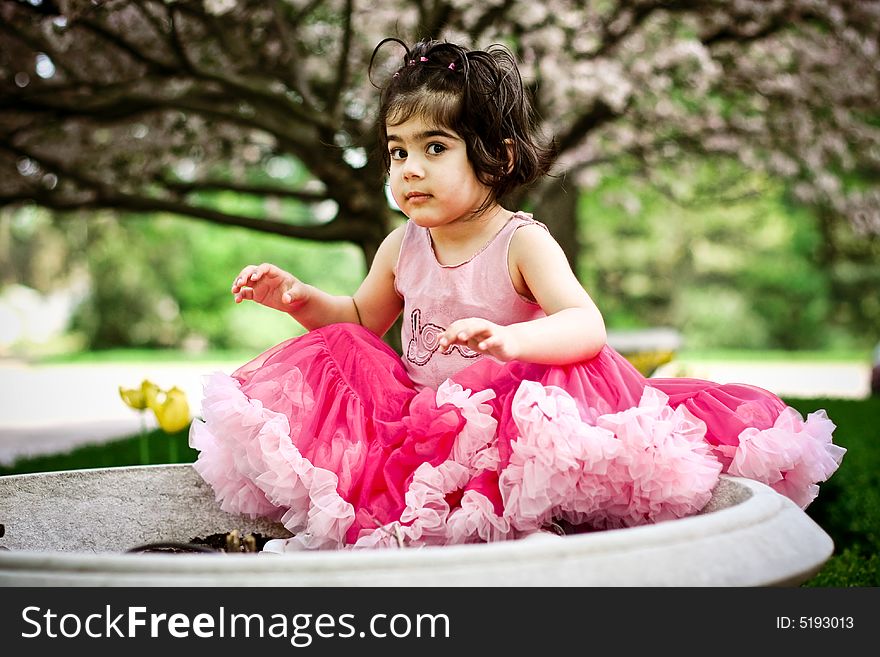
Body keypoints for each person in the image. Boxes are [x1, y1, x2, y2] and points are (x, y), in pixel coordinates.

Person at [189, 37, 845, 551]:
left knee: (547, 384)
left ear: (496, 157)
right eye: (396, 152)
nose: (408, 168)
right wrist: (298, 298)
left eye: (434, 146)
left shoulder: (520, 244)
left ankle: (539, 526)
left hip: (508, 418)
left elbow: (586, 324)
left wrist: (511, 341)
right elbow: (361, 321)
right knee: (336, 347)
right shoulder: (402, 245)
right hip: (423, 421)